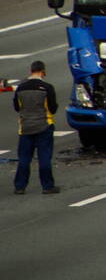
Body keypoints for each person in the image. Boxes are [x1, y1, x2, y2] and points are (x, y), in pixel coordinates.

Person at [13, 61, 59, 194]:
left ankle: (20, 187)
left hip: (25, 127)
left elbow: (17, 107)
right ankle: (47, 186)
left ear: (31, 71)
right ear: (42, 71)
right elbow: (53, 108)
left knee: (24, 159)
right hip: (44, 126)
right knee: (44, 157)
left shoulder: (21, 88)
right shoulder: (47, 87)